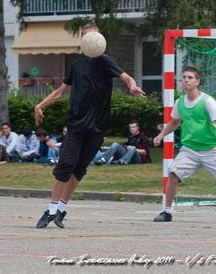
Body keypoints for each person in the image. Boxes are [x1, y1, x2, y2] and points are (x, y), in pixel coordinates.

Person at [34, 24, 145, 229]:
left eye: (94, 36)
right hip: (76, 125)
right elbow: (60, 92)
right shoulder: (76, 66)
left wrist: (132, 86)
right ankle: (50, 210)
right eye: (87, 36)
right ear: (83, 41)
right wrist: (40, 104)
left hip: (98, 127)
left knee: (79, 169)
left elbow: (125, 76)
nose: (91, 40)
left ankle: (61, 209)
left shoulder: (105, 62)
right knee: (65, 165)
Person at [152, 66, 216, 225]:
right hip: (190, 149)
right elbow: (175, 122)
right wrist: (161, 135)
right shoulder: (179, 102)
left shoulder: (207, 101)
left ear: (197, 82)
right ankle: (167, 212)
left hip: (211, 148)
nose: (186, 80)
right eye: (183, 77)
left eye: (190, 77)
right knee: (172, 174)